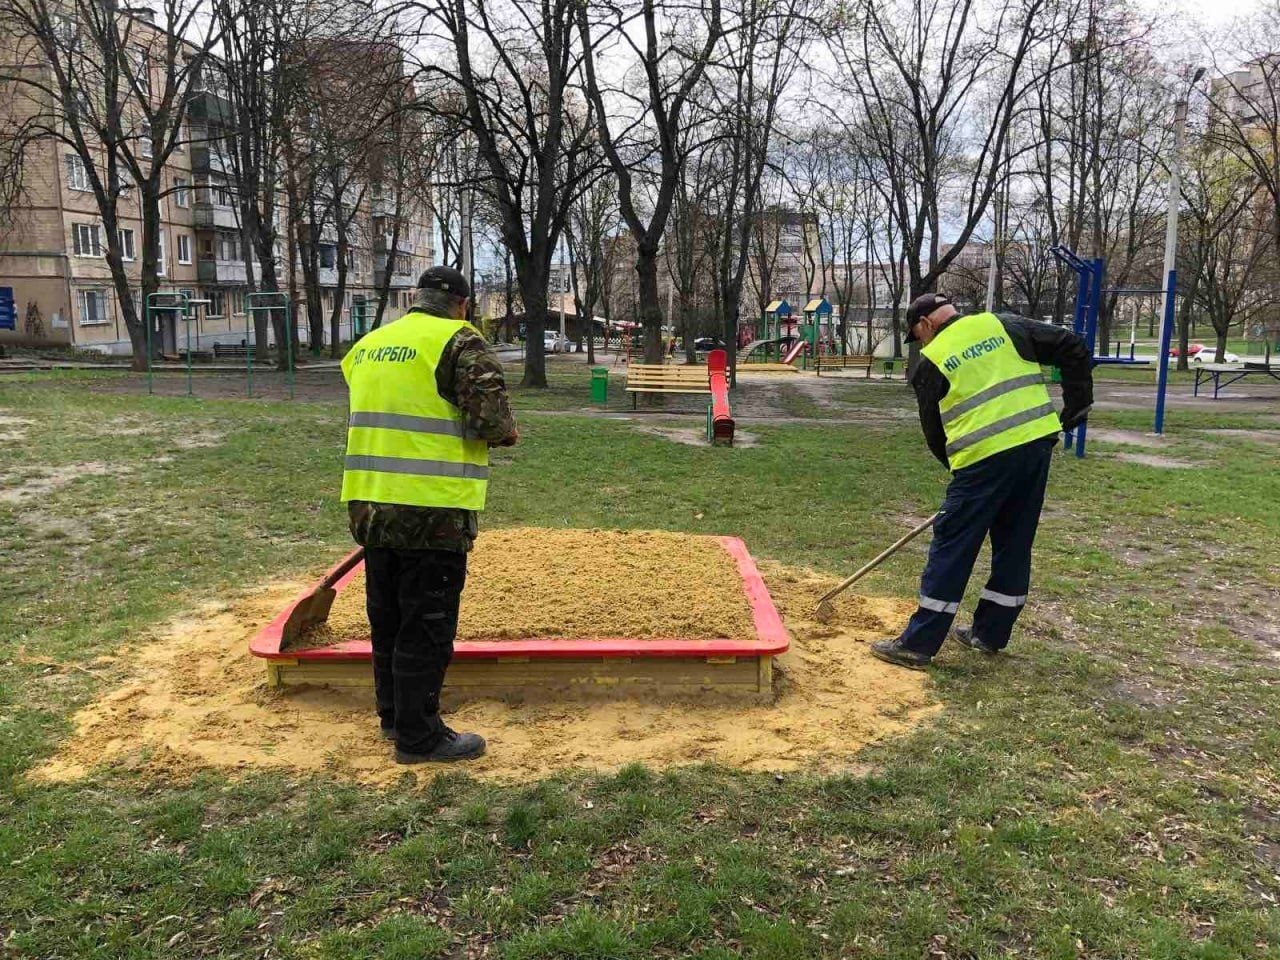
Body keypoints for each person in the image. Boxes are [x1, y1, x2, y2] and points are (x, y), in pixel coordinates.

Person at [341, 266, 518, 762]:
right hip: (431, 507)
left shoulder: (370, 344)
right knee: (426, 623)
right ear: (462, 305)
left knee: (388, 618)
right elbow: (491, 422)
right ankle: (420, 738)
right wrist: (508, 433)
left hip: (371, 503)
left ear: (417, 298)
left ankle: (394, 716)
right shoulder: (462, 342)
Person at [870, 293, 1092, 670]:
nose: (920, 342)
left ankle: (918, 645)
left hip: (982, 461)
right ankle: (989, 634)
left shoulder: (931, 361)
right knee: (1014, 542)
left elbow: (935, 434)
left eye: (917, 335)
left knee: (952, 544)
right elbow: (1071, 344)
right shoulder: (1003, 325)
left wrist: (960, 477)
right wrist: (1078, 403)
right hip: (1035, 447)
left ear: (925, 324)